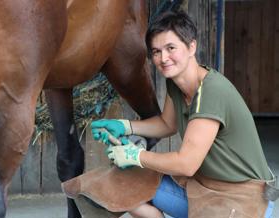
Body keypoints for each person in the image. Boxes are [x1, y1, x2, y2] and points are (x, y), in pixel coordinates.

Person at [91, 11, 276, 218]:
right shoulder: (175, 84)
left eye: (171, 48)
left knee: (139, 173)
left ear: (191, 47)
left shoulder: (211, 91)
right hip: (202, 187)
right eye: (156, 51)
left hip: (243, 199)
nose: (163, 58)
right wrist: (124, 126)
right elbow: (166, 124)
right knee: (123, 185)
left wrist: (136, 156)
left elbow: (186, 164)